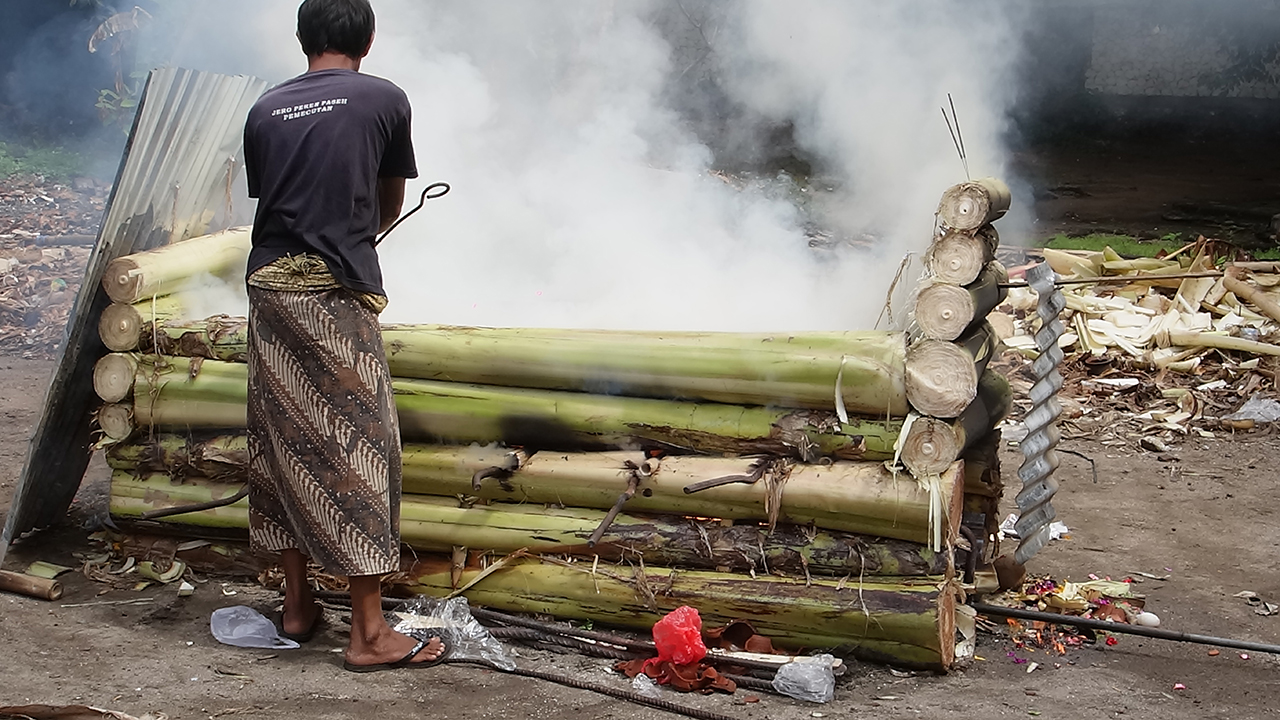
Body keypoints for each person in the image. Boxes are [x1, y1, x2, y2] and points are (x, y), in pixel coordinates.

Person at [242, 0, 443, 671]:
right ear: (368, 38)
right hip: (332, 293)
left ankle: (297, 608)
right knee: (358, 444)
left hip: (269, 288)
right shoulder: (382, 98)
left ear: (303, 39)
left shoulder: (265, 109)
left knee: (280, 438)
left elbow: (279, 200)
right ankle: (367, 633)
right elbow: (385, 205)